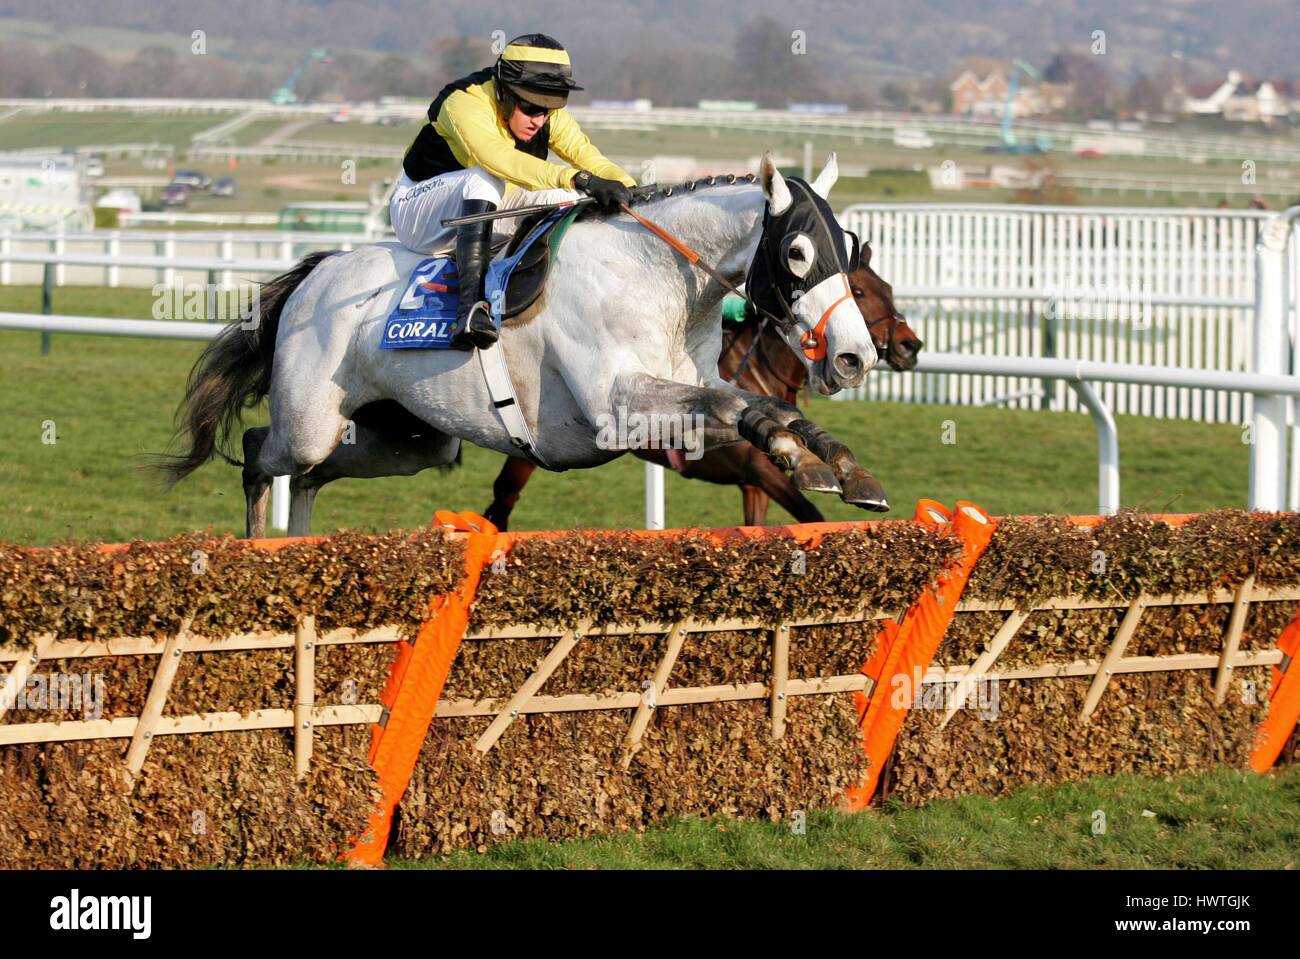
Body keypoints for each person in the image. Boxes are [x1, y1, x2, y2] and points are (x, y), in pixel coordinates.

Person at [391, 33, 637, 350]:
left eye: (548, 110)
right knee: (484, 177)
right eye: (532, 108)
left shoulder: (545, 113)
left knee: (574, 201)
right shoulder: (464, 102)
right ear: (505, 92)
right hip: (422, 213)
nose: (540, 119)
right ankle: (470, 310)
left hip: (488, 208)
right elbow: (497, 158)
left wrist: (630, 189)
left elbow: (589, 159)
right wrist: (578, 178)